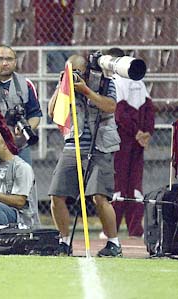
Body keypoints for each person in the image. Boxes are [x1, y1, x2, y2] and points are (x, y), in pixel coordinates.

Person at [48, 54, 122, 257]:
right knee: (56, 195)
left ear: (87, 70)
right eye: (71, 73)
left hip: (101, 146)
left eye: (78, 73)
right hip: (73, 144)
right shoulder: (63, 84)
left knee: (99, 197)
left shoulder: (105, 83)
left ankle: (114, 243)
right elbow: (53, 113)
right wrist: (62, 85)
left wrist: (86, 91)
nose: (75, 77)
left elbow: (111, 106)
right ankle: (64, 241)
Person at [108, 47, 155, 238]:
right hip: (137, 140)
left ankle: (113, 227)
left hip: (122, 138)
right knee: (135, 183)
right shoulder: (138, 80)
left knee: (118, 183)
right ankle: (135, 228)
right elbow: (148, 109)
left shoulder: (115, 81)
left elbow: (119, 113)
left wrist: (136, 133)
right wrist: (146, 133)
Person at [32, 0, 75, 74]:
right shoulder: (43, 3)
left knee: (76, 64)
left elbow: (68, 6)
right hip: (47, 39)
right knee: (59, 64)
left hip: (65, 41)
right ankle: (59, 84)